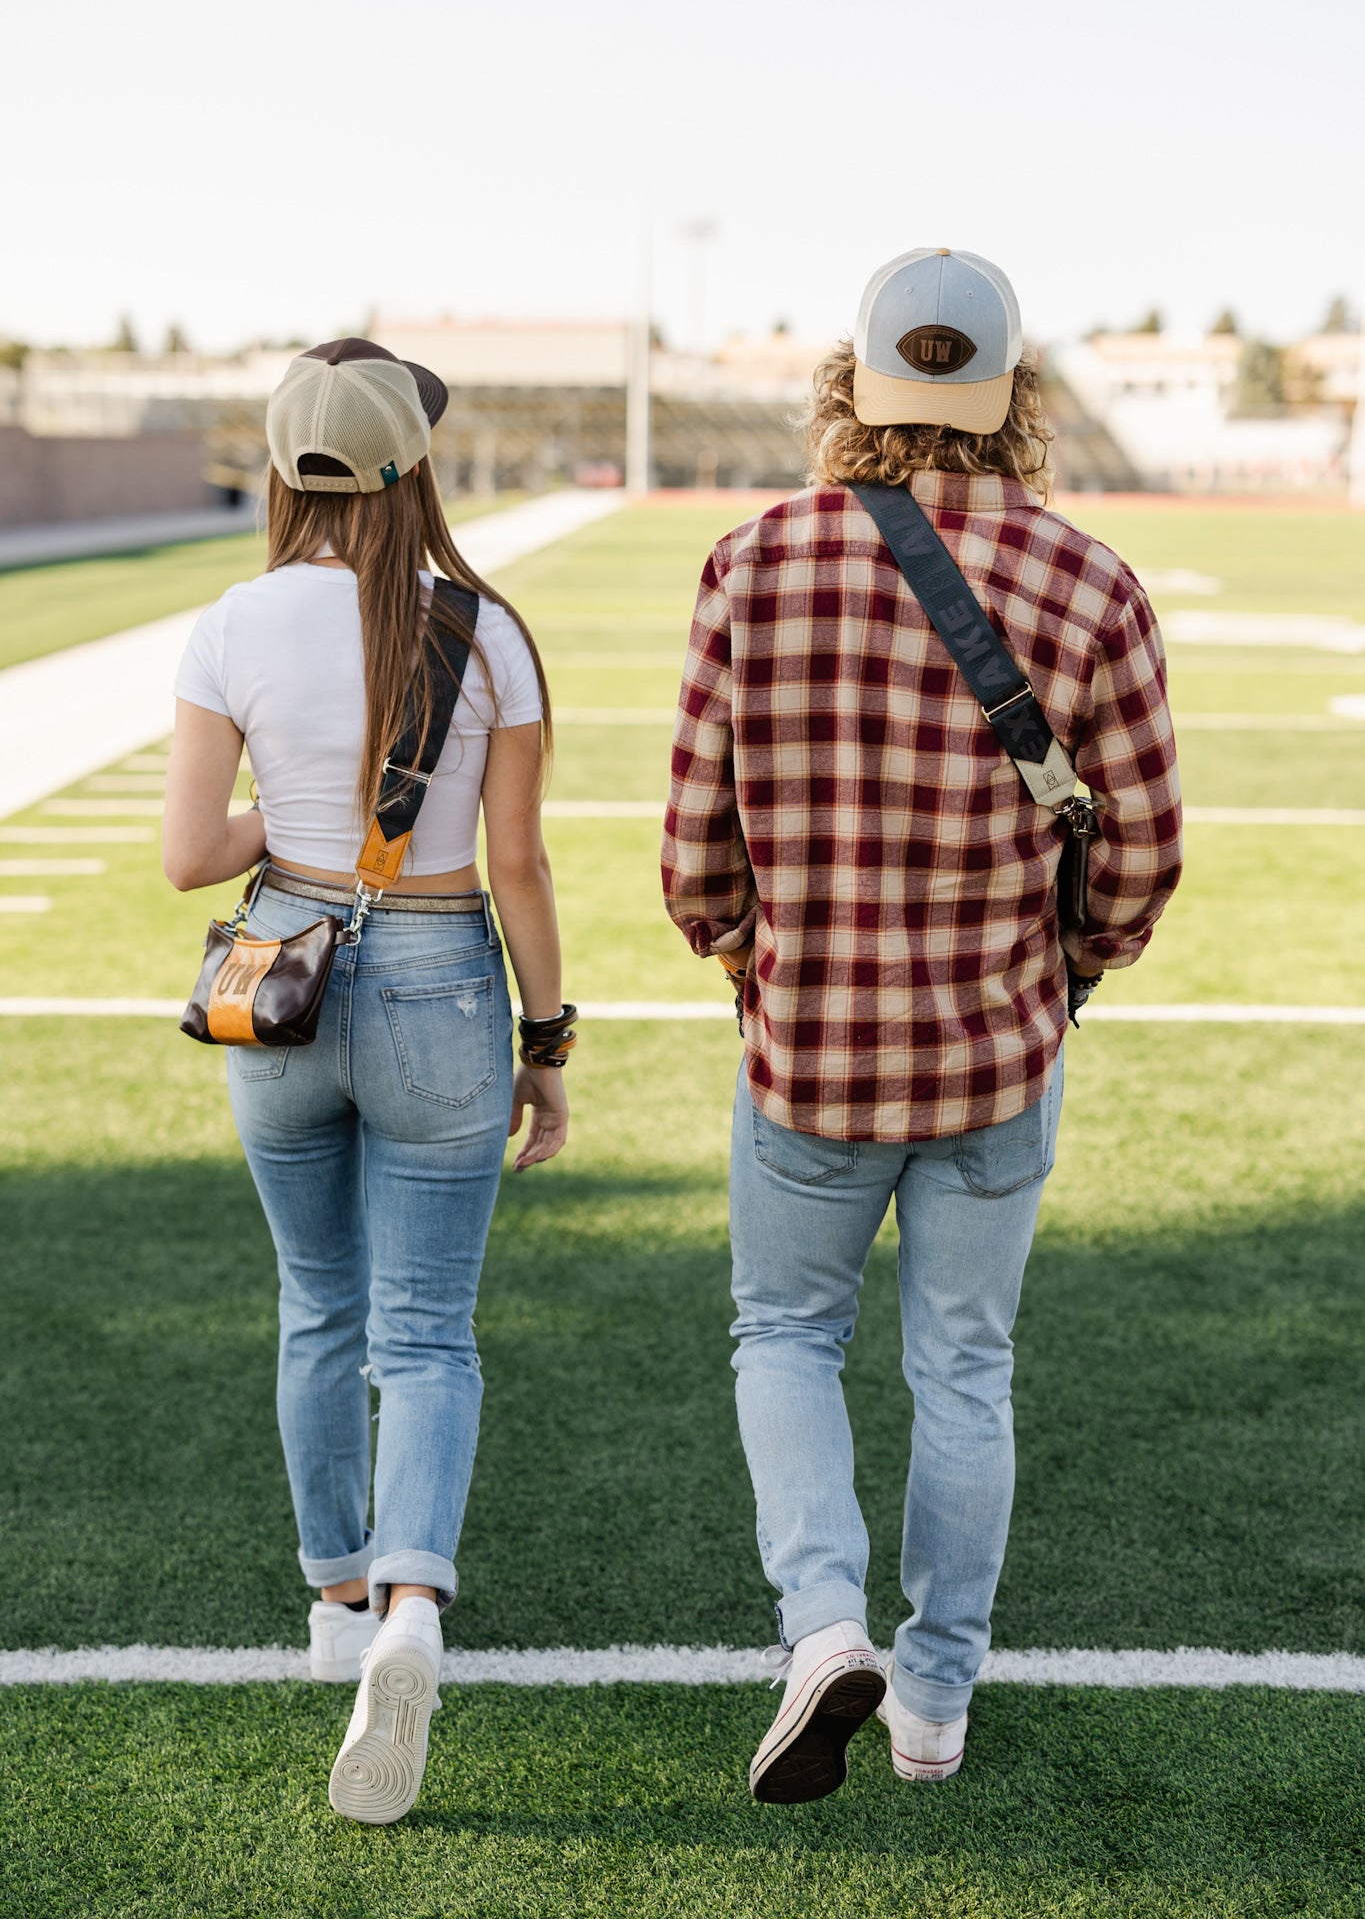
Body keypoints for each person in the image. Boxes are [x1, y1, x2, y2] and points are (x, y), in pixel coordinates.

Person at [662, 250, 1181, 1803]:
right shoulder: (1091, 581)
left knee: (784, 1338)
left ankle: (822, 1623)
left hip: (809, 1051)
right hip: (994, 1051)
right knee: (963, 1372)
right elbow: (1141, 853)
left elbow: (695, 849)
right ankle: (935, 1704)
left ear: (854, 390)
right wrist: (1065, 970)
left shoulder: (752, 562)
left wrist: (755, 954)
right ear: (1014, 396)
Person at [163, 337, 574, 1824]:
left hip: (278, 977)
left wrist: (300, 807)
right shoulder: (490, 632)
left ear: (282, 472)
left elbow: (187, 855)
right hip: (438, 981)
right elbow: (517, 863)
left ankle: (336, 1602)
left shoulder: (234, 621)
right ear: (416, 466)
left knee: (316, 1308)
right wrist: (549, 1041)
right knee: (426, 1331)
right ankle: (411, 1606)